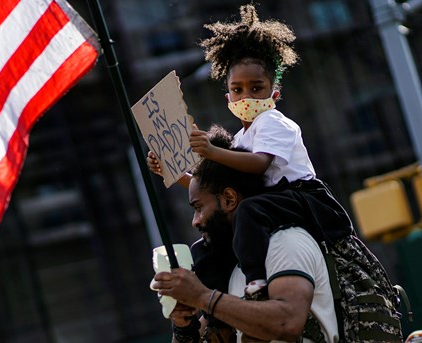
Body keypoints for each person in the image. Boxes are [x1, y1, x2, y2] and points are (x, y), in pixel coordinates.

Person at [147, 4, 353, 299]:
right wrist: (174, 172)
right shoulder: (242, 137)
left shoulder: (272, 122)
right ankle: (211, 306)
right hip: (265, 203)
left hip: (298, 198)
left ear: (274, 94)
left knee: (247, 211)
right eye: (238, 89)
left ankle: (256, 279)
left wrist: (210, 152)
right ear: (228, 96)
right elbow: (217, 190)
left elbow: (259, 165)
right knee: (207, 244)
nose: (247, 96)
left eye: (256, 88)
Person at [151, 125, 340, 342]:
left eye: (198, 208)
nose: (195, 221)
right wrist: (183, 324)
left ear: (229, 199)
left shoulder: (285, 242)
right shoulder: (232, 269)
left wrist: (202, 297)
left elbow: (287, 323)